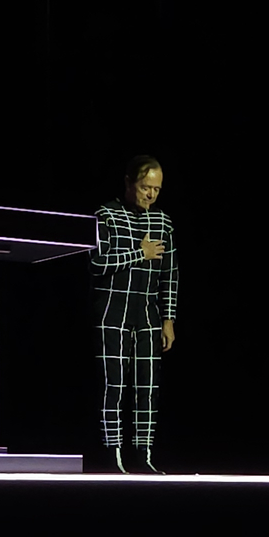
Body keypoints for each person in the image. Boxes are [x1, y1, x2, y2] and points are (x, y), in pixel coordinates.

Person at [90, 156, 178, 473]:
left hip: (147, 314)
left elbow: (170, 274)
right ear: (129, 183)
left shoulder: (162, 222)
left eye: (156, 189)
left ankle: (144, 456)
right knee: (112, 386)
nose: (150, 194)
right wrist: (139, 253)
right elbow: (96, 262)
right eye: (145, 187)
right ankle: (111, 455)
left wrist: (168, 319)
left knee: (147, 387)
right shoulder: (106, 215)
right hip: (112, 310)